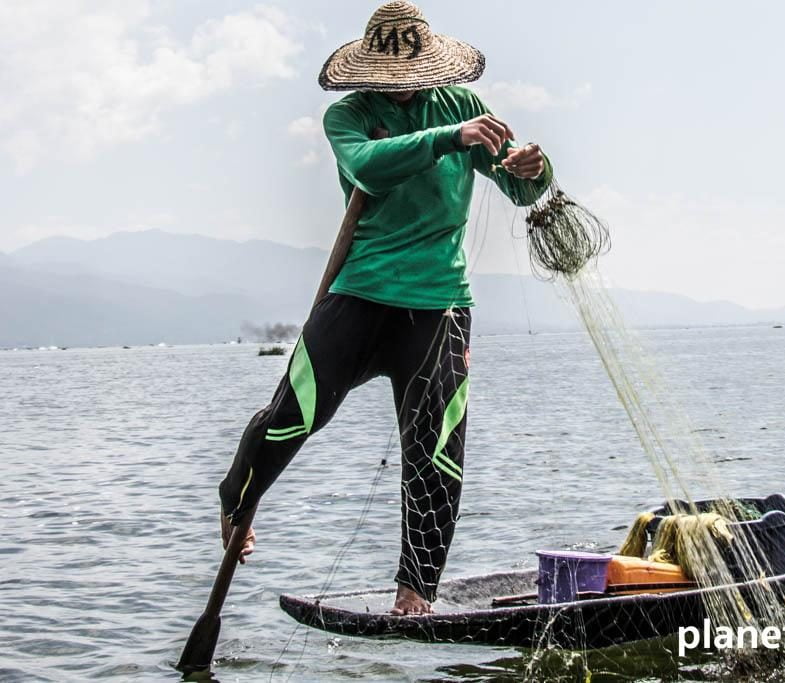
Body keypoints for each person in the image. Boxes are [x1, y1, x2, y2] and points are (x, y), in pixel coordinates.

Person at [217, 1, 553, 615]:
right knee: (294, 415)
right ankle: (236, 502)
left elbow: (521, 187)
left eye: (411, 76)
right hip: (361, 293)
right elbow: (369, 167)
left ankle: (415, 588)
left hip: (440, 304)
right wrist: (448, 138)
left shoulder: (462, 105)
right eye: (390, 77)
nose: (401, 87)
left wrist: (533, 168)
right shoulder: (349, 115)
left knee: (436, 448)